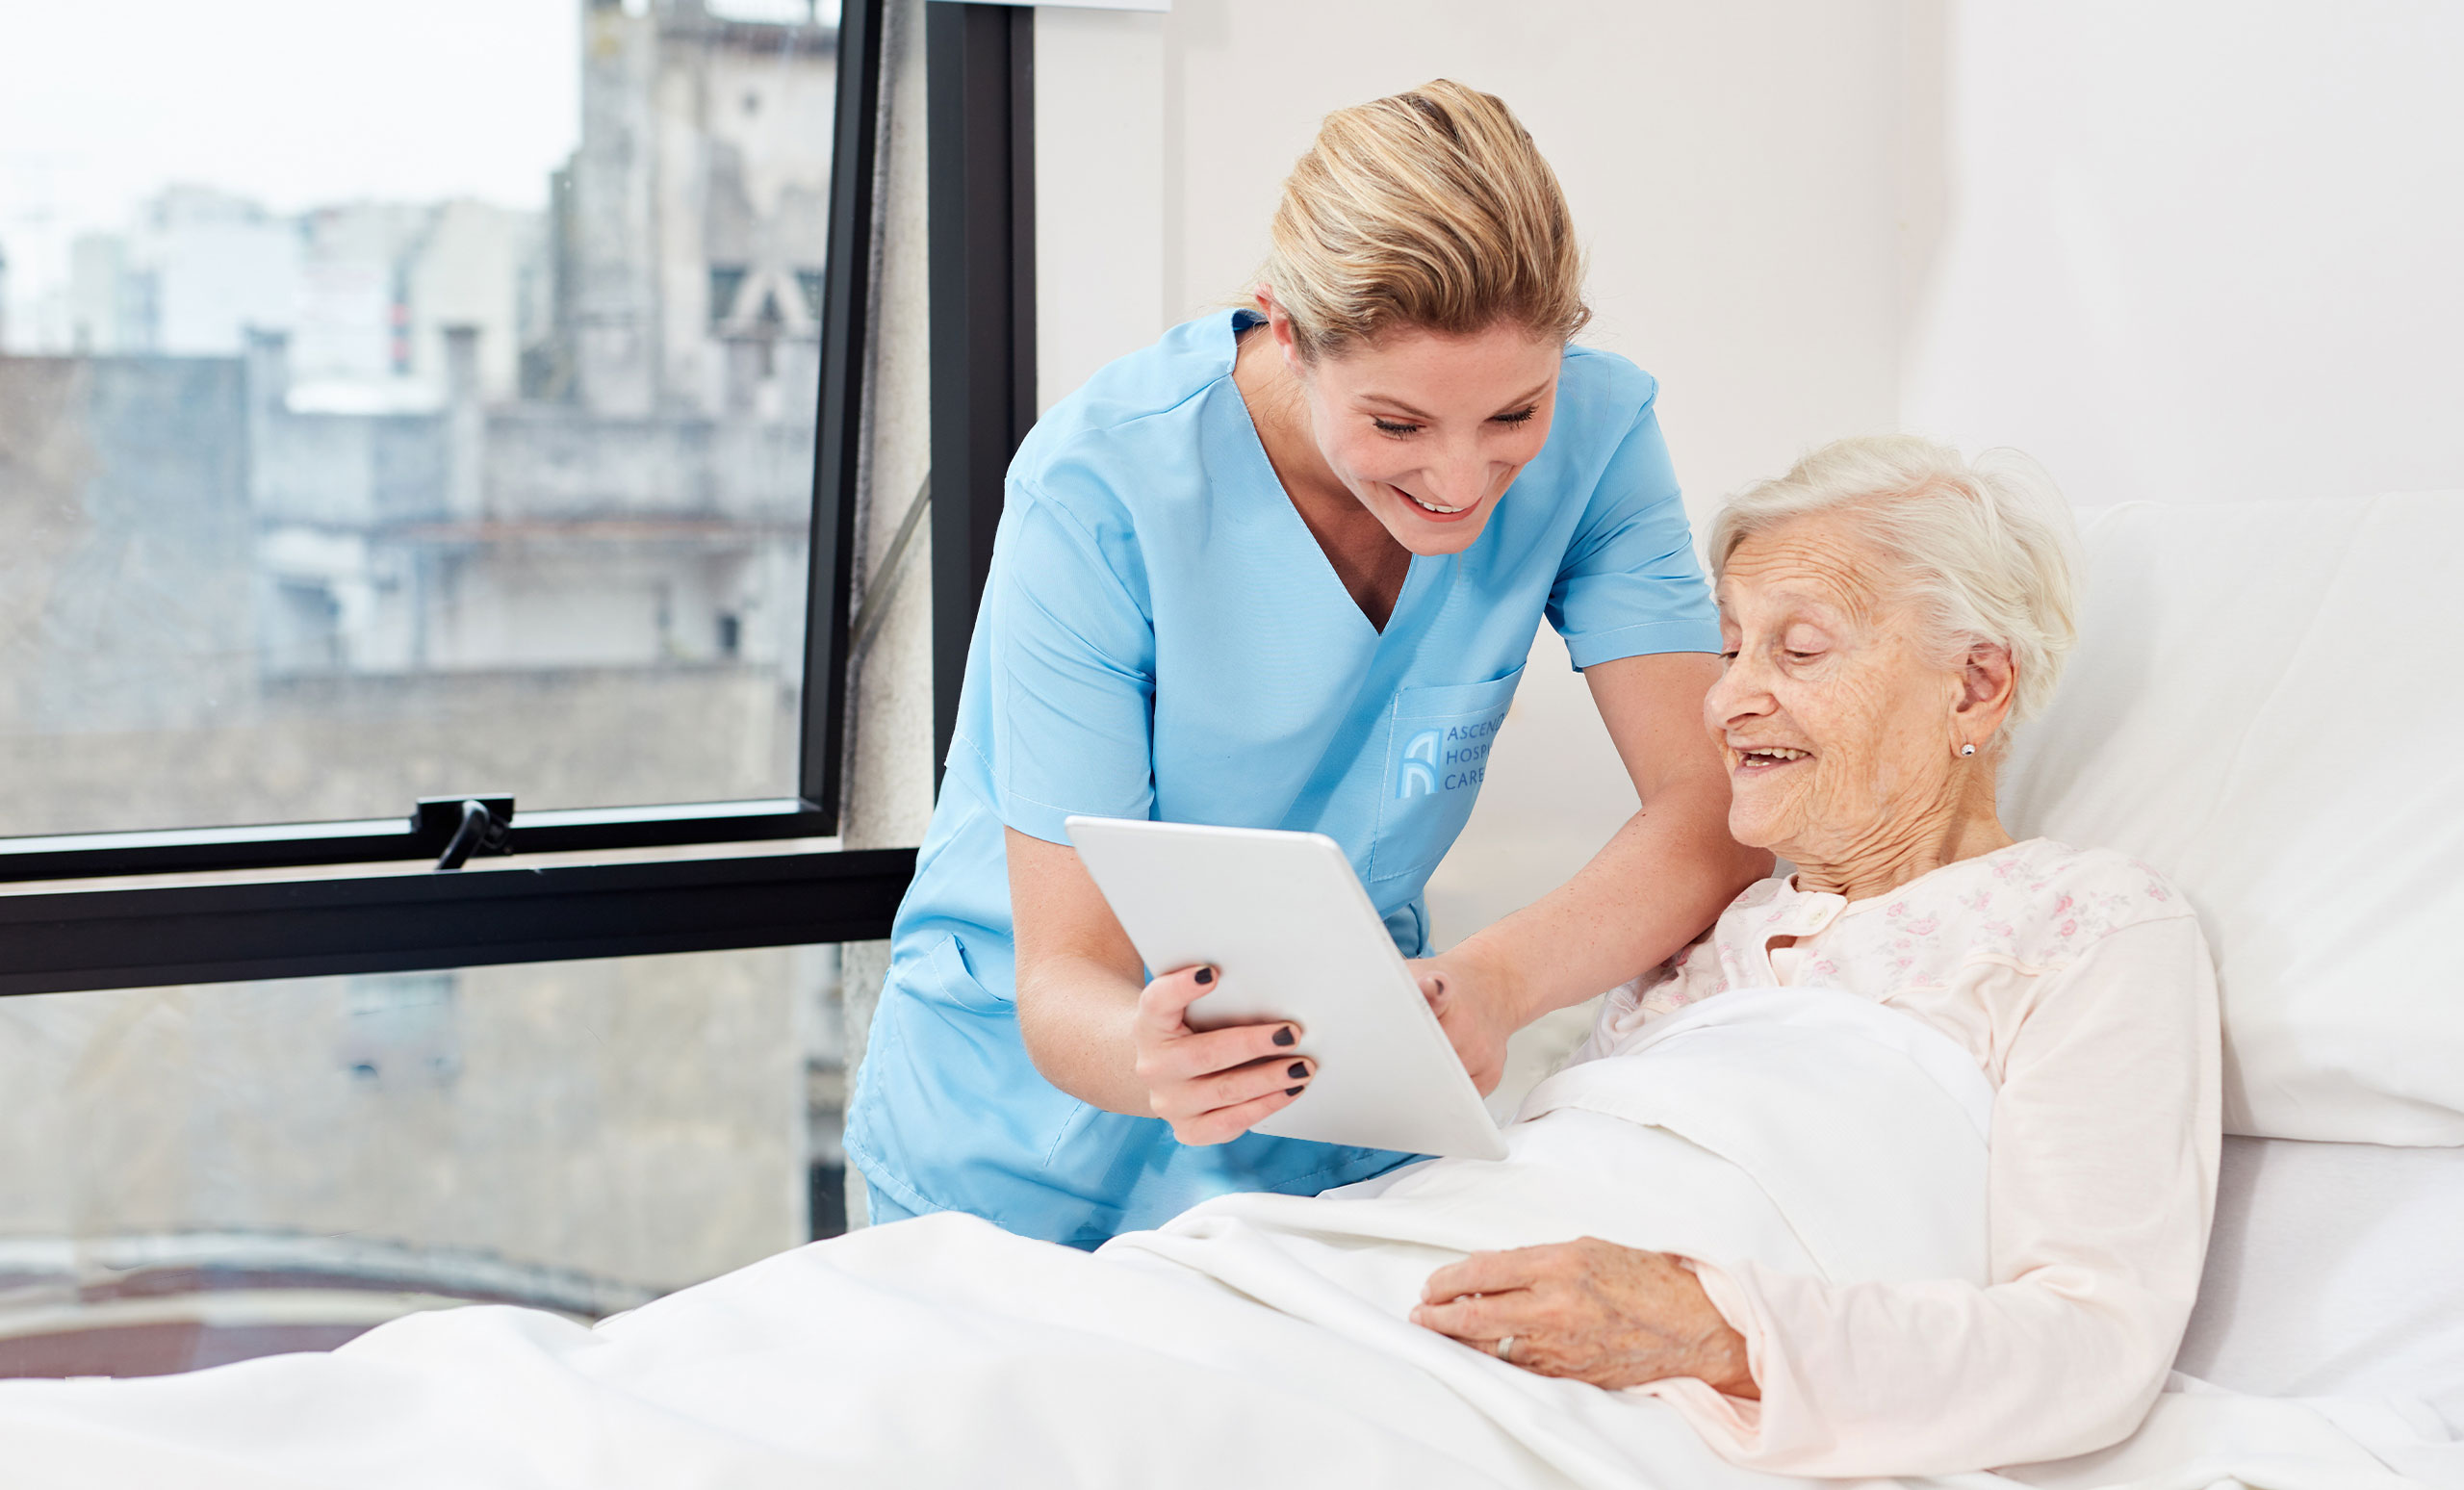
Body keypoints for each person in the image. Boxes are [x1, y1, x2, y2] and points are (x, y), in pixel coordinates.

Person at [844, 80, 1765, 1246]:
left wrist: (1498, 980)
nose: (1463, 479)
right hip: (1017, 1138)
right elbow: (1062, 973)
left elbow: (1713, 810)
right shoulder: (1101, 487)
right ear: (1285, 327)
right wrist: (1146, 1055)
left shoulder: (1598, 438)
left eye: (1514, 415)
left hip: (1336, 1127)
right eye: (1396, 426)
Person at [1399, 433, 2220, 1474]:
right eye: (1731, 643)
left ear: (1974, 685)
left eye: (1798, 650)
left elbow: (2090, 1344)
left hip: (1629, 1395)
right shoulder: (1700, 932)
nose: (1726, 699)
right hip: (1426, 1280)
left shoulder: (2082, 926)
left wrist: (1716, 1328)